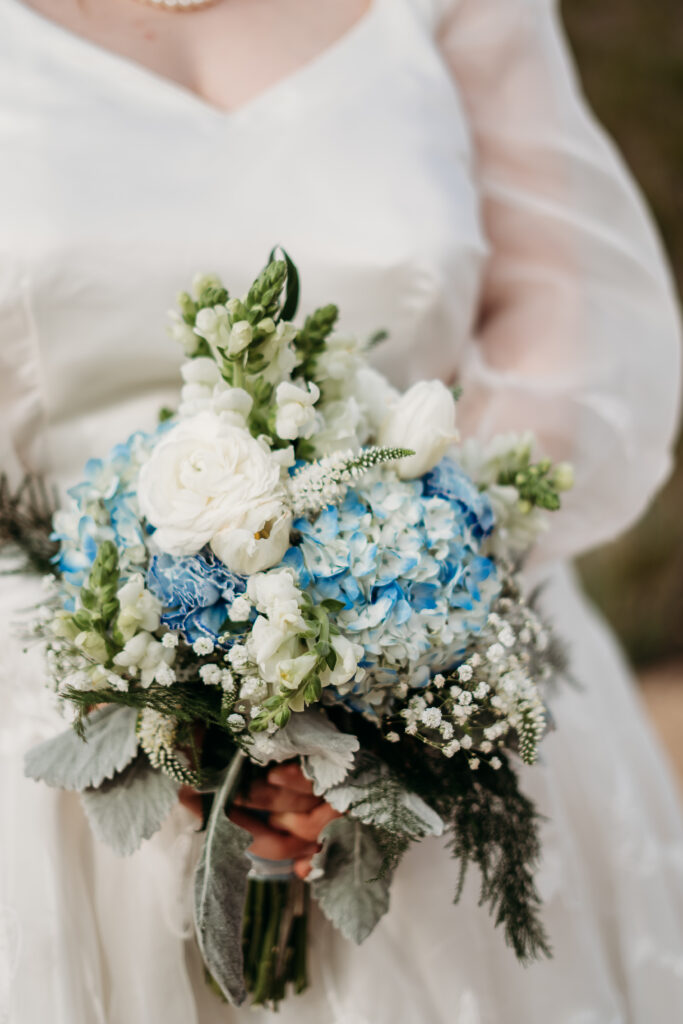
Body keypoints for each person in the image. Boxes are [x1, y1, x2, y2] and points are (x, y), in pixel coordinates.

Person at [1, 0, 682, 1020]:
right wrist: (168, 677)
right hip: (51, 722)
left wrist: (383, 656)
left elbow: (560, 320)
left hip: (442, 648)